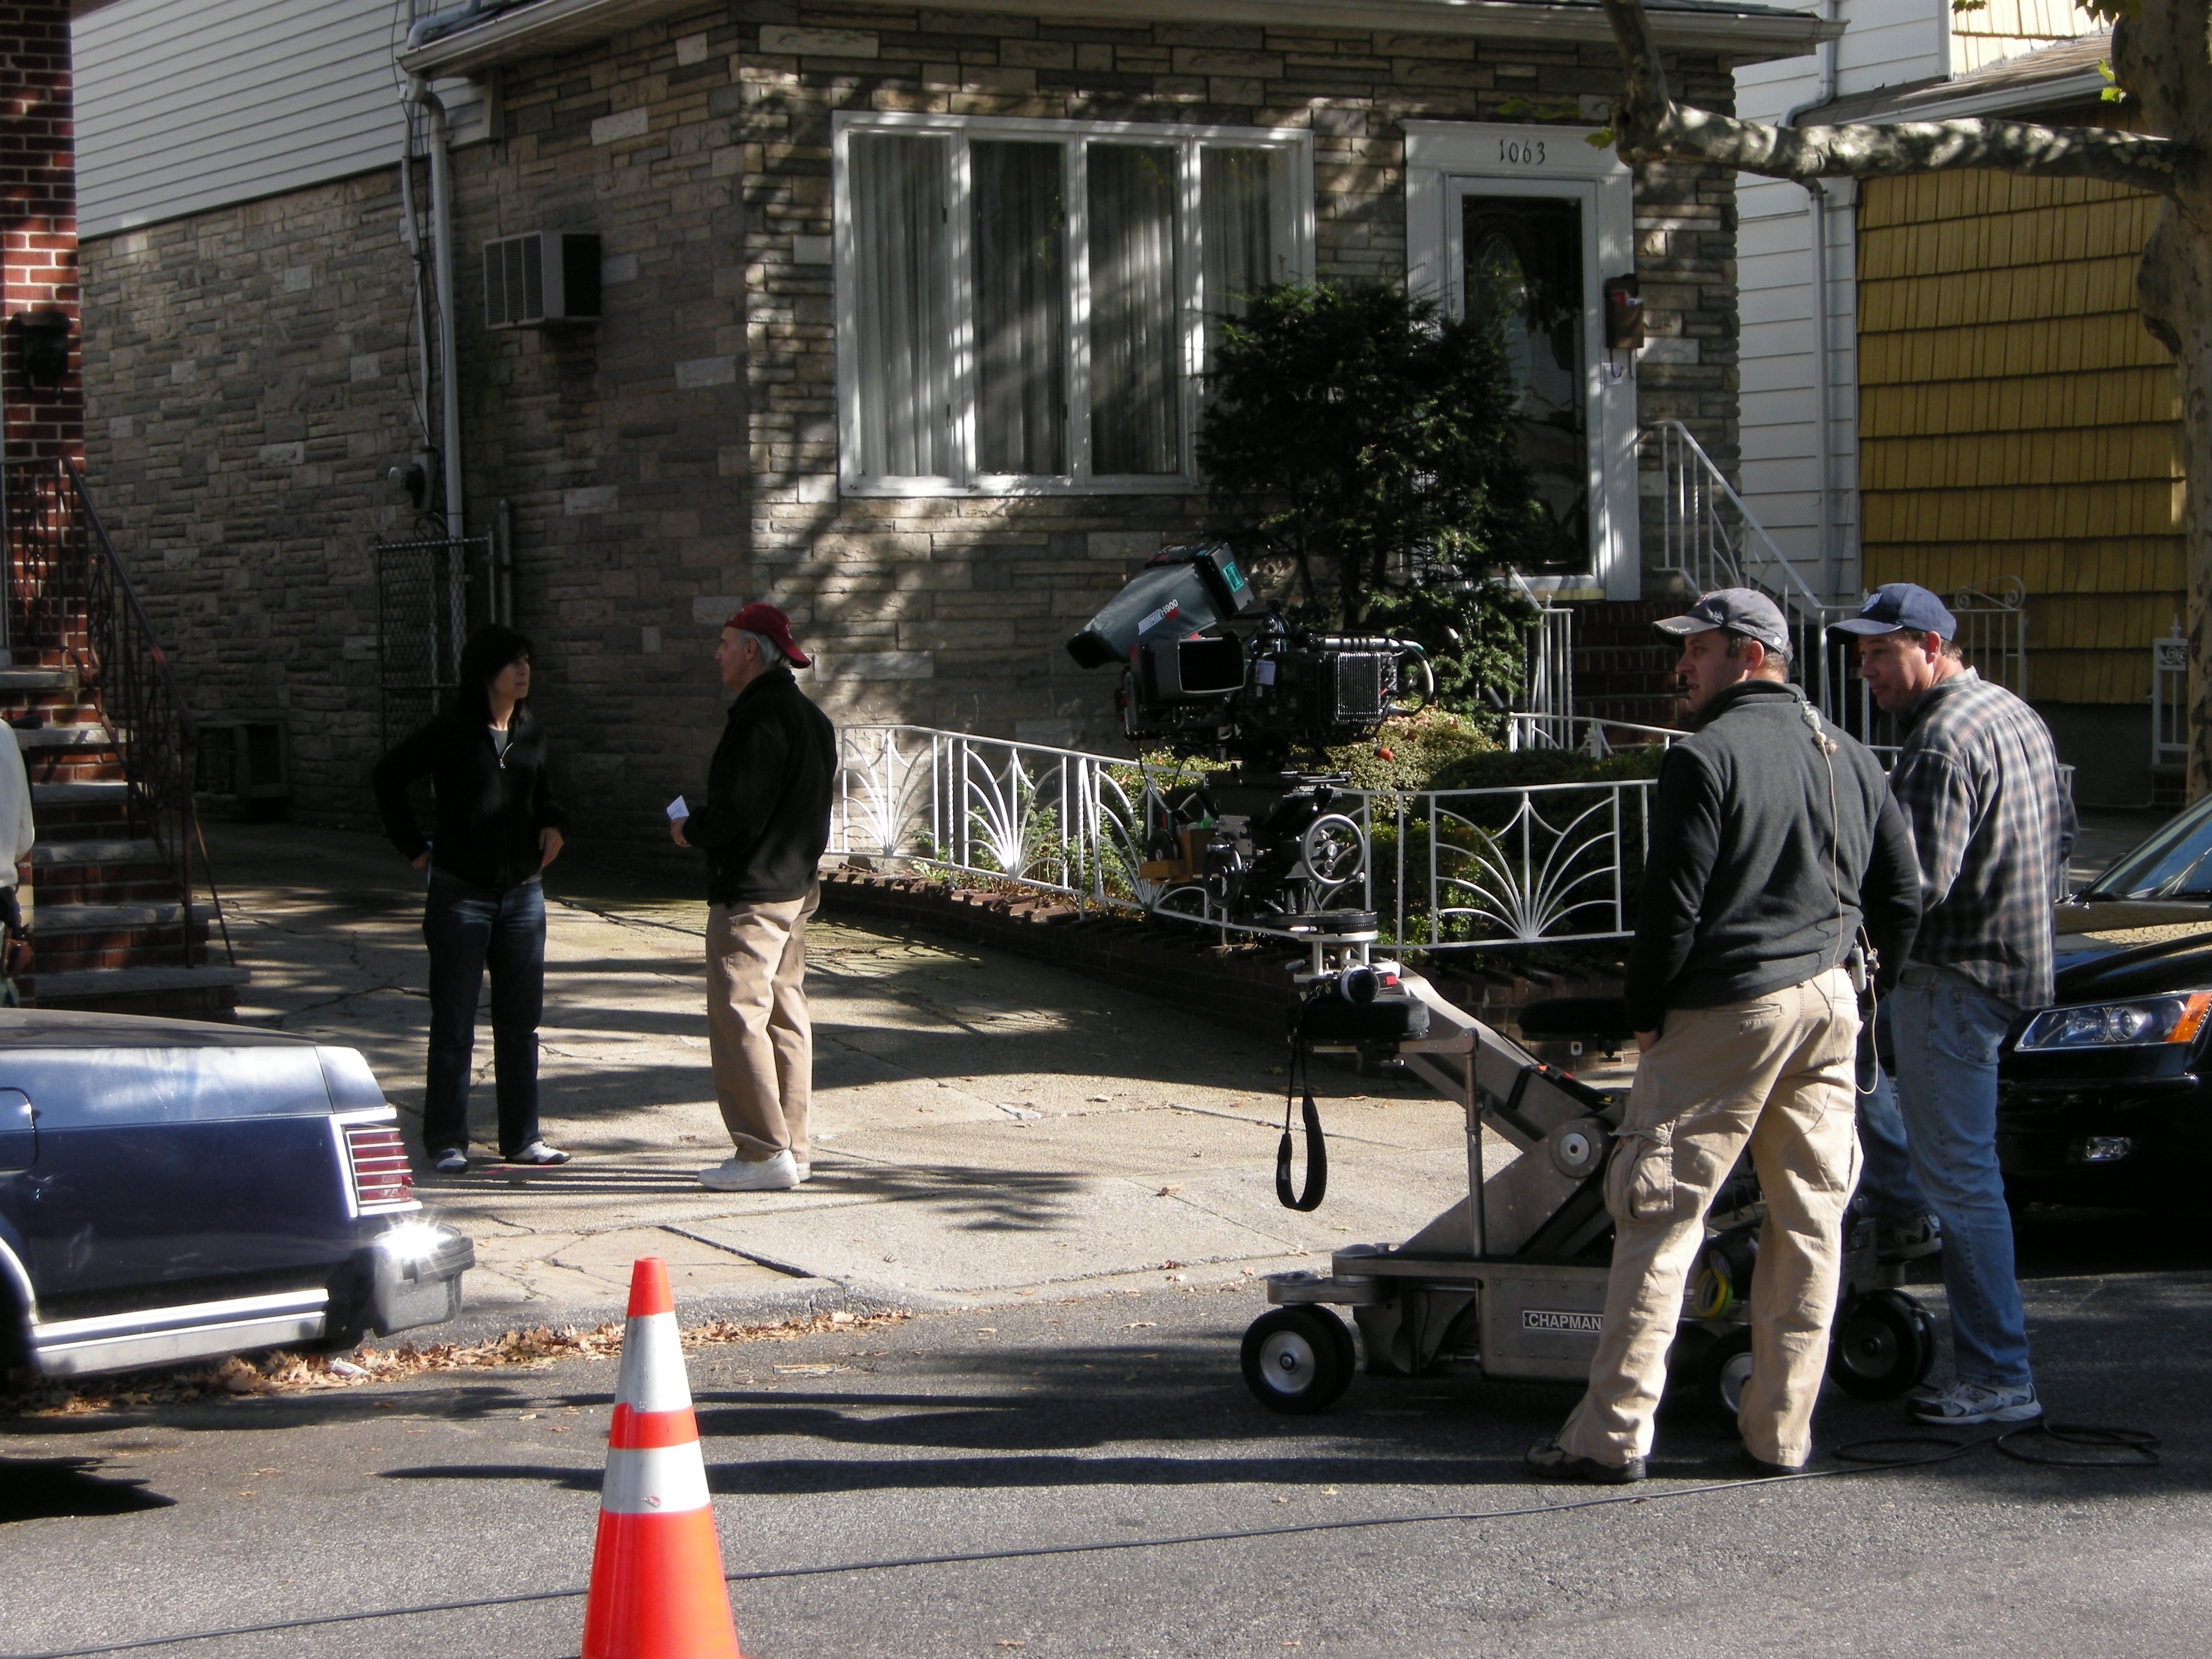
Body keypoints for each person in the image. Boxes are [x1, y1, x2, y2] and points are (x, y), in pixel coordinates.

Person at [1527, 589, 1920, 1484]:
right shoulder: (1852, 756)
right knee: (1810, 1222)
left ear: (1750, 656)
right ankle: (1779, 1434)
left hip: (1727, 1010)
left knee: (1659, 1219)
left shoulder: (1705, 758)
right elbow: (1903, 896)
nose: (1682, 667)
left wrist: (1645, 1015)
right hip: (1830, 1006)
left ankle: (1609, 1437)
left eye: (1698, 650)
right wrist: (1871, 988)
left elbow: (1670, 911)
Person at [1835, 582, 2075, 1426]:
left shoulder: (1938, 742)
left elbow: (1914, 887)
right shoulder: (2014, 713)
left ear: (1933, 647)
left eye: (1882, 652)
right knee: (1874, 1083)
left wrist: (1844, 941)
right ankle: (1899, 1203)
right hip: (2014, 967)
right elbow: (2065, 836)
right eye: (1861, 655)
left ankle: (1999, 1378)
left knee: (1965, 1184)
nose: (1867, 669)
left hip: (1952, 975)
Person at [373, 625, 571, 1173]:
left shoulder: (530, 730)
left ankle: (522, 1138)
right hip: (460, 895)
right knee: (455, 1022)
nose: (524, 671)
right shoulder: (452, 730)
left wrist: (554, 823)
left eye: (527, 660)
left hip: (523, 897)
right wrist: (414, 848)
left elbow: (543, 791)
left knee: (520, 1022)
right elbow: (387, 776)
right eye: (512, 663)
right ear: (486, 673)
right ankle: (446, 1141)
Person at [671, 603, 836, 1193]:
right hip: (795, 887)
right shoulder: (811, 717)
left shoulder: (760, 718)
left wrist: (691, 829)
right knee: (786, 1015)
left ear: (750, 650)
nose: (716, 653)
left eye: (725, 643)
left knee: (740, 1015)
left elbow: (739, 813)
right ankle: (793, 1148)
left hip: (753, 895)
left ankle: (763, 1151)